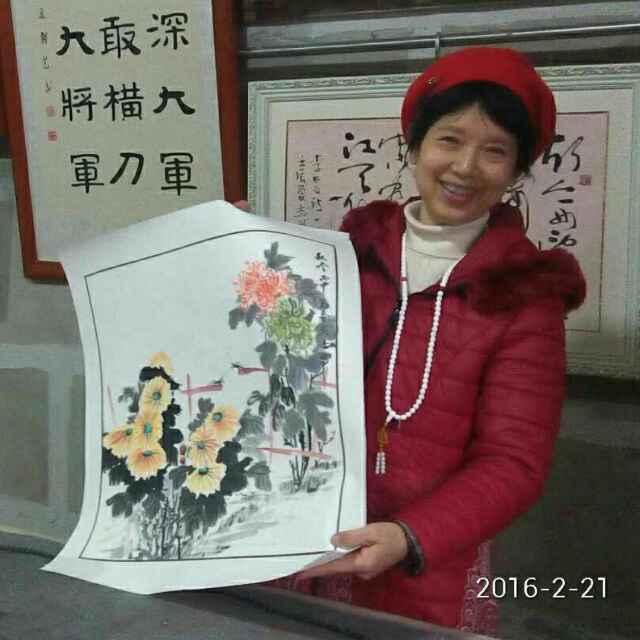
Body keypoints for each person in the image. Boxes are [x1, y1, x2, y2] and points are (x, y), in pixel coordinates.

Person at [290, 46, 586, 633]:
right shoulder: (345, 257)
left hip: (426, 569)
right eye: (449, 140)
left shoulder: (525, 295)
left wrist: (409, 536)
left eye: (495, 151)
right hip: (302, 545)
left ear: (517, 171)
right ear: (416, 146)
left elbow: (513, 461)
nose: (465, 167)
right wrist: (230, 251)